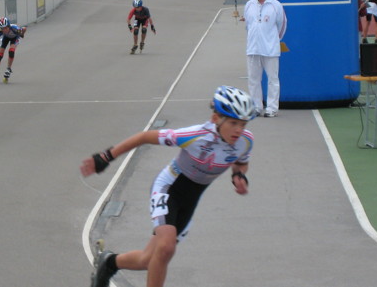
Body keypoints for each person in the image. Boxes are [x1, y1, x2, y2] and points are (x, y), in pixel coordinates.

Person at [80, 85, 257, 287]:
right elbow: (144, 137)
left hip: (191, 199)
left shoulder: (245, 141)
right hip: (169, 187)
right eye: (233, 123)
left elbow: (241, 162)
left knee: (150, 259)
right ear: (216, 118)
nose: (239, 130)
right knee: (166, 247)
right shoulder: (194, 135)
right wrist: (105, 157)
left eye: (243, 124)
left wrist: (238, 176)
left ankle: (110, 263)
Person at [242, 0, 287, 118]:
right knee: (253, 79)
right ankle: (256, 107)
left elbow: (282, 24)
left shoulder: (276, 5)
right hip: (253, 49)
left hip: (270, 49)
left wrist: (273, 40)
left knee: (273, 79)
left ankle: (272, 108)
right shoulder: (249, 5)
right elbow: (248, 25)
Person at [0, 17, 27, 83]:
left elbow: (24, 28)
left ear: (8, 26)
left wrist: (22, 34)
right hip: (6, 38)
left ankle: (8, 69)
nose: (4, 30)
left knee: (11, 51)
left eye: (6, 28)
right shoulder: (1, 32)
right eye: (2, 28)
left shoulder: (15, 29)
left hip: (14, 37)